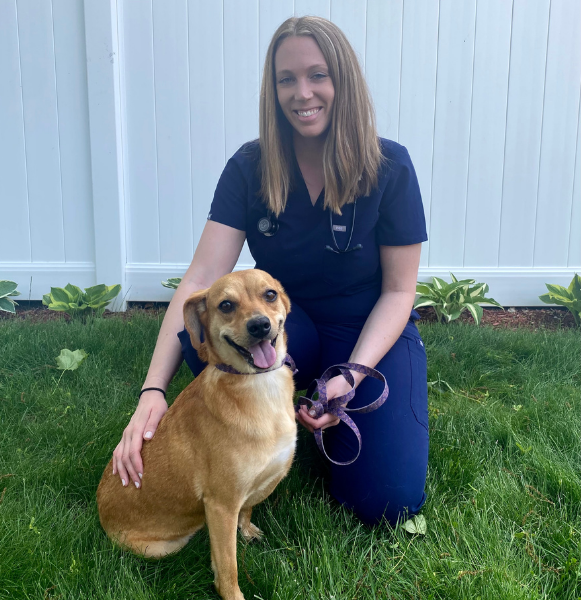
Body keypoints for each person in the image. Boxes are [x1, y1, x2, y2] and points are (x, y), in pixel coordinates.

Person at [112, 15, 429, 526]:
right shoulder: (250, 167)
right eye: (287, 79)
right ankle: (276, 424)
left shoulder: (389, 166)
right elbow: (198, 283)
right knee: (211, 341)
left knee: (387, 501)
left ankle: (314, 417)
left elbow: (398, 292)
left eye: (317, 74)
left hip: (368, 329)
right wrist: (153, 390)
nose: (302, 92)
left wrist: (351, 375)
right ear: (273, 88)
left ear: (342, 79)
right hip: (285, 325)